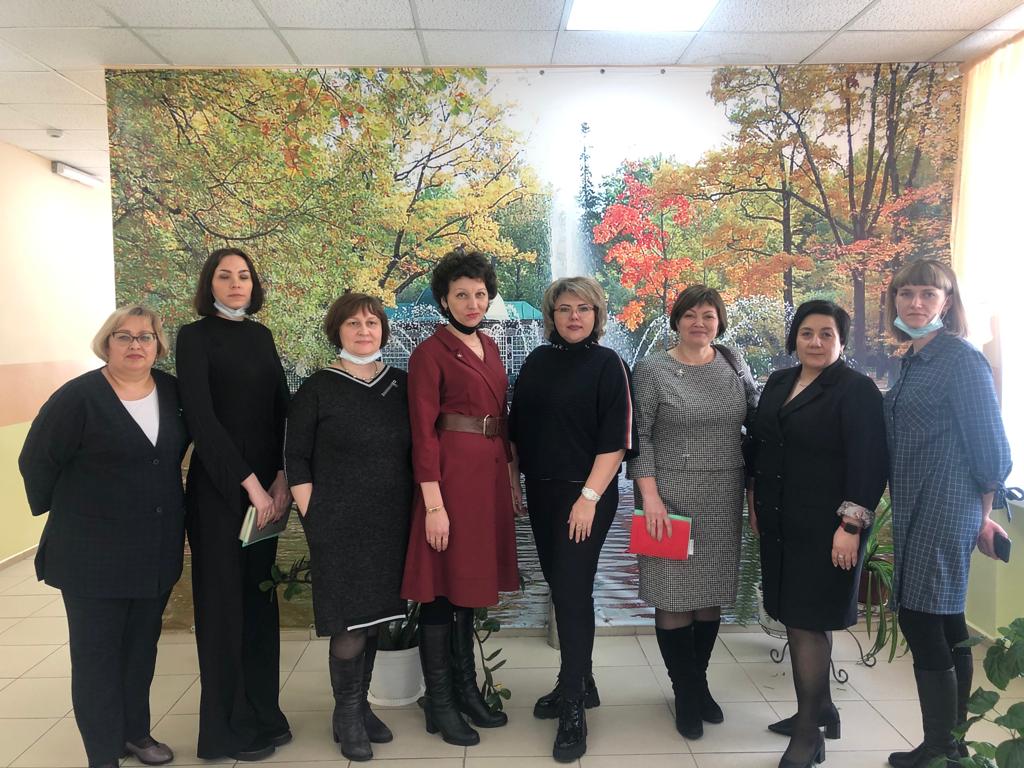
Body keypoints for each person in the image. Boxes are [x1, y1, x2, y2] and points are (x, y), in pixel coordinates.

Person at [18, 305, 188, 768]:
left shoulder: (172, 391)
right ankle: (102, 754)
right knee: (97, 658)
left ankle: (135, 734)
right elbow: (36, 461)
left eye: (145, 337)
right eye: (124, 336)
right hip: (90, 555)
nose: (136, 345)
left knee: (140, 651)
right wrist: (78, 511)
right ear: (106, 343)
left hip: (154, 551)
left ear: (158, 346)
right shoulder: (78, 398)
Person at [883, 259, 1011, 768]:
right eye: (906, 293)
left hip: (946, 505)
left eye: (928, 294)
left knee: (920, 619)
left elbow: (992, 450)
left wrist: (981, 516)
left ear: (947, 302)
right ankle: (951, 745)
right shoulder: (914, 359)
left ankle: (940, 748)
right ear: (895, 301)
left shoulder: (960, 358)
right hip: (916, 505)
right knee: (947, 619)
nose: (915, 303)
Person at [748, 300, 888, 768]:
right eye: (807, 333)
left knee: (808, 621)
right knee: (795, 616)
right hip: (782, 523)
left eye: (827, 334)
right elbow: (761, 445)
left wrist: (850, 526)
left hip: (829, 528)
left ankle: (809, 735)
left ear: (841, 341)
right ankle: (820, 707)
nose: (815, 342)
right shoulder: (780, 381)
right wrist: (754, 501)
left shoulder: (856, 390)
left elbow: (870, 462)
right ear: (795, 338)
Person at [508, 276, 637, 762]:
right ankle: (582, 681)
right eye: (564, 308)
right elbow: (517, 429)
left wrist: (587, 498)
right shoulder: (537, 361)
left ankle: (573, 708)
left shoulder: (608, 364)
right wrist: (513, 481)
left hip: (587, 496)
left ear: (597, 314)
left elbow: (616, 441)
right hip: (542, 493)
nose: (574, 316)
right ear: (552, 316)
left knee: (570, 590)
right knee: (562, 586)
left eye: (583, 308)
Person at [284, 292, 412, 762]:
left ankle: (360, 708)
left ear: (383, 331)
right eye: (353, 323)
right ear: (336, 330)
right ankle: (347, 713)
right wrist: (313, 513)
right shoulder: (318, 387)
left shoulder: (399, 384)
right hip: (337, 521)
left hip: (390, 519)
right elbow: (295, 456)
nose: (363, 331)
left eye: (372, 323)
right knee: (349, 621)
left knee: (375, 617)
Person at [175, 248, 292, 762]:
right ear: (210, 285)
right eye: (225, 276)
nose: (236, 283)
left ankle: (263, 711)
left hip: (268, 491)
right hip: (222, 493)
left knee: (259, 603)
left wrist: (283, 476)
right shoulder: (194, 337)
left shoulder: (261, 336)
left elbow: (282, 409)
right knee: (223, 610)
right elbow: (203, 421)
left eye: (244, 275)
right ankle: (226, 729)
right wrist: (252, 486)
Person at [627, 285, 758, 741]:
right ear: (676, 320)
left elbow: (757, 421)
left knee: (709, 596)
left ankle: (696, 684)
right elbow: (639, 437)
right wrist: (650, 496)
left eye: (708, 315)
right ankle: (685, 693)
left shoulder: (733, 363)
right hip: (668, 495)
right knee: (673, 596)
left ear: (719, 322)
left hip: (723, 493)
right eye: (690, 315)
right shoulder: (652, 369)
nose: (699, 323)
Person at [401, 247, 520, 747]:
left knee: (467, 585)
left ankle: (467, 689)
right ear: (444, 300)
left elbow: (502, 417)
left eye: (480, 294)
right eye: (462, 295)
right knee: (440, 589)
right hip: (449, 479)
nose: (473, 303)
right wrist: (433, 505)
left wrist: (511, 477)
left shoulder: (490, 346)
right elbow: (422, 434)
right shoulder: (429, 354)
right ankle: (440, 700)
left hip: (487, 476)